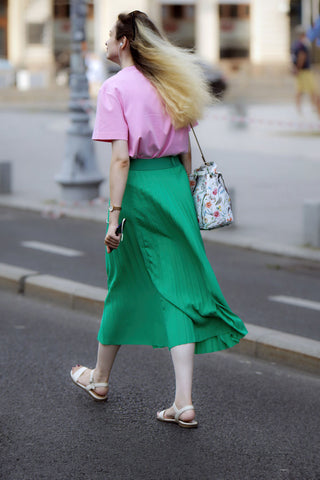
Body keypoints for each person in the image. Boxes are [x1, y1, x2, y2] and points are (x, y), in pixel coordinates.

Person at [70, 10, 247, 429]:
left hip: (139, 191)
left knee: (123, 282)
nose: (106, 45)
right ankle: (182, 401)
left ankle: (99, 379)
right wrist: (180, 190)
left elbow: (119, 158)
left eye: (110, 37)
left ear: (125, 42)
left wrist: (114, 217)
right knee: (179, 287)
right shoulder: (171, 84)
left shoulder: (114, 89)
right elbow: (185, 150)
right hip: (174, 188)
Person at [291, 25, 320, 116]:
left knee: (300, 90)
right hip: (304, 71)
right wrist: (298, 69)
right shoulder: (301, 45)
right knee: (312, 90)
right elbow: (301, 57)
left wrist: (295, 69)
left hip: (301, 71)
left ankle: (300, 108)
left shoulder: (296, 44)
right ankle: (314, 108)